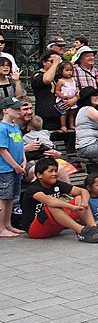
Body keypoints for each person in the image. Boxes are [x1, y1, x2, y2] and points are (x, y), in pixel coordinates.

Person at [20, 157, 98, 242]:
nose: (54, 174)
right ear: (39, 175)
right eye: (50, 171)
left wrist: (84, 202)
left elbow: (82, 191)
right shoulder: (33, 189)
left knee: (79, 198)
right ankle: (82, 231)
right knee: (52, 205)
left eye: (55, 171)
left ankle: (93, 227)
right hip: (36, 229)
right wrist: (71, 207)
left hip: (55, 226)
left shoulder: (57, 184)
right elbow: (50, 201)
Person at [0, 96, 27, 237]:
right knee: (3, 198)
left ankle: (8, 224)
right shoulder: (2, 128)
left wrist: (23, 160)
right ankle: (1, 228)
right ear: (5, 110)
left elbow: (21, 145)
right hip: (5, 169)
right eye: (15, 108)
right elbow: (2, 150)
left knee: (11, 197)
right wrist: (15, 165)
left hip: (17, 168)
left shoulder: (15, 127)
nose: (18, 111)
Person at [31, 50, 63, 131]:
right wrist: (55, 64)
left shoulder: (59, 76)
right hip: (46, 116)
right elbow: (47, 79)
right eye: (51, 61)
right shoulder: (37, 75)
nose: (55, 64)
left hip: (61, 116)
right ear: (44, 62)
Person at [53, 61, 79, 131]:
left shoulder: (73, 79)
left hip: (72, 99)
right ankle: (63, 125)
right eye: (67, 70)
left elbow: (75, 87)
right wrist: (61, 96)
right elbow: (57, 91)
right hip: (63, 100)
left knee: (72, 113)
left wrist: (76, 91)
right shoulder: (61, 81)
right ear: (61, 71)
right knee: (64, 113)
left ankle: (71, 125)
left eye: (71, 70)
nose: (69, 72)